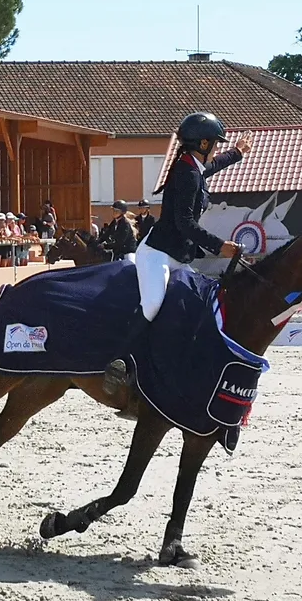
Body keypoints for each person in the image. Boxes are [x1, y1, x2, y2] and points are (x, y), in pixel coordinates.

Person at [104, 112, 252, 396]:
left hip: (178, 255)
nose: (217, 150)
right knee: (153, 304)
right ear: (204, 143)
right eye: (216, 145)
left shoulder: (192, 166)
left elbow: (212, 167)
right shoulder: (187, 171)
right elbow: (185, 222)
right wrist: (219, 246)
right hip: (157, 254)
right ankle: (120, 361)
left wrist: (236, 153)